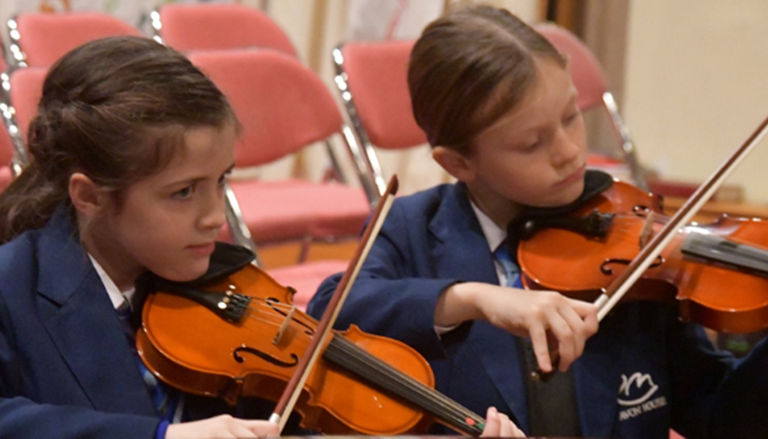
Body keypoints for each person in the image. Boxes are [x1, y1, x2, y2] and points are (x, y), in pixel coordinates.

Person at [308, 5, 768, 439]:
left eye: (571, 117)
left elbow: (722, 416)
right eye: (532, 144)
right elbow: (331, 311)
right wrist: (472, 299)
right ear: (458, 163)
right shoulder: (411, 229)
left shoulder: (640, 252)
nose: (568, 150)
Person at [0, 36, 282, 439]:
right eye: (184, 192)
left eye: (221, 180)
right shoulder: (12, 290)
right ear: (90, 196)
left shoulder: (226, 288)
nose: (216, 217)